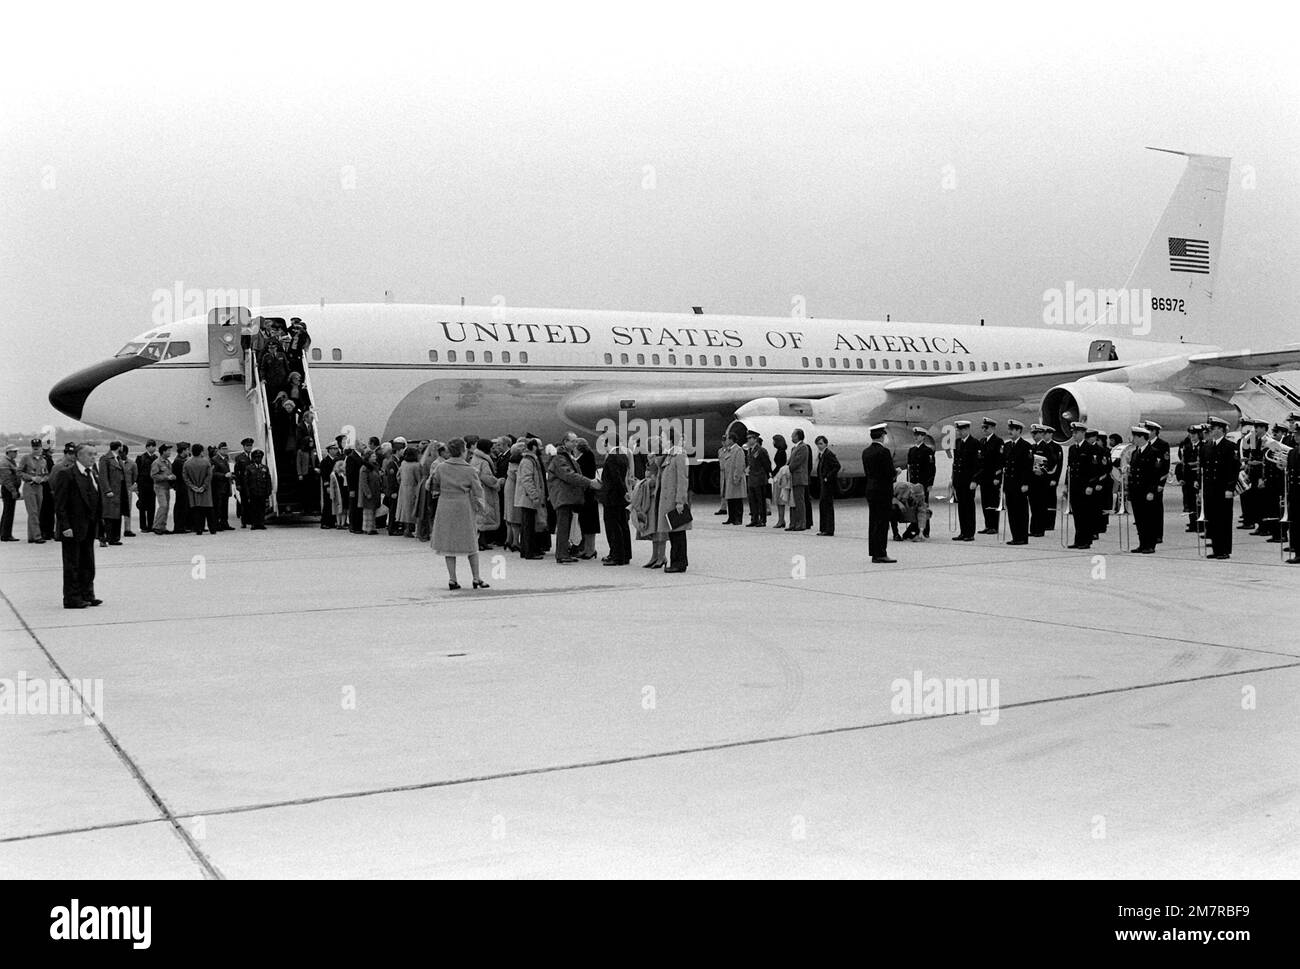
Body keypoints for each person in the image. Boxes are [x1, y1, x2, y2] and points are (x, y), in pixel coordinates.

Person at [429, 437, 489, 589]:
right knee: (471, 542)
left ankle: (452, 579)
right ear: (463, 451)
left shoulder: (441, 467)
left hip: (445, 506)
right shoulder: (469, 470)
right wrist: (481, 507)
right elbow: (478, 490)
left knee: (448, 544)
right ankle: (476, 578)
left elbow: (431, 484)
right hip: (463, 506)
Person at [53, 443, 103, 609]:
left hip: (89, 526)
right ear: (79, 456)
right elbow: (60, 504)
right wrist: (65, 526)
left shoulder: (92, 473)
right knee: (72, 564)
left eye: (94, 454)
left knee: (88, 562)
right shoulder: (66, 475)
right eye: (90, 454)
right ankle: (72, 598)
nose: (93, 457)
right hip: (72, 528)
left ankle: (87, 594)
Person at [547, 433, 599, 564]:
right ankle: (562, 554)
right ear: (565, 442)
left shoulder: (566, 456)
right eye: (573, 441)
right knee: (563, 526)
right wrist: (589, 482)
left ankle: (564, 553)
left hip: (567, 496)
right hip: (563, 496)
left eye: (576, 442)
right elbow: (569, 475)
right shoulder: (560, 458)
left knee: (566, 525)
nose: (575, 444)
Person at [1202, 416, 1240, 560]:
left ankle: (1224, 549)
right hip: (1210, 490)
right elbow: (1204, 469)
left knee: (1223, 520)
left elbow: (1233, 470)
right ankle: (1216, 548)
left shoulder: (1230, 447)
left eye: (1214, 428)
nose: (1211, 430)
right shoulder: (1207, 446)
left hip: (1223, 490)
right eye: (1211, 428)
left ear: (1221, 430)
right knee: (1212, 520)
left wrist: (1230, 488)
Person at [654, 426, 691, 573]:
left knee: (678, 533)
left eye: (663, 438)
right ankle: (676, 561)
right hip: (668, 501)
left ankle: (679, 563)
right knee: (673, 533)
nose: (661, 441)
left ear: (670, 440)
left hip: (674, 501)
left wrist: (680, 501)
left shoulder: (680, 455)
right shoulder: (670, 455)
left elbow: (683, 480)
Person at [862, 423, 896, 563]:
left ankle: (874, 552)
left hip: (871, 489)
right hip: (883, 491)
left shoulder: (866, 452)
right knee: (882, 523)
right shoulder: (884, 452)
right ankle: (881, 552)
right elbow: (889, 473)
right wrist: (896, 473)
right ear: (882, 436)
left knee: (873, 522)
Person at [1127, 425, 1160, 553]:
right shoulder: (1135, 452)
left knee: (1149, 519)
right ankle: (1142, 543)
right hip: (1137, 491)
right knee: (1139, 519)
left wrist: (1152, 491)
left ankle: (1150, 544)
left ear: (1142, 437)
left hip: (1147, 491)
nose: (1134, 439)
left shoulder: (1153, 452)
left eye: (1135, 436)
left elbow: (1155, 474)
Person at [514, 437, 547, 560]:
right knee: (529, 525)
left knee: (528, 525)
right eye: (539, 446)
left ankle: (526, 550)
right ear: (533, 447)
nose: (541, 448)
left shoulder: (530, 460)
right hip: (528, 499)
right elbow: (527, 480)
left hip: (527, 498)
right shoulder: (528, 461)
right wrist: (535, 496)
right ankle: (529, 552)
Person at [469, 439, 503, 551]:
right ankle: (481, 541)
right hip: (485, 491)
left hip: (477, 490)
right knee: (485, 515)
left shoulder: (475, 459)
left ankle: (481, 541)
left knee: (481, 515)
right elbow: (487, 477)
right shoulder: (484, 461)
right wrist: (497, 483)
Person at [1001, 419, 1032, 545]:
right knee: (1012, 511)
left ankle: (1022, 537)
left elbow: (1028, 467)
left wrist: (1026, 483)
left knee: (1021, 511)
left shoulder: (1026, 446)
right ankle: (1015, 536)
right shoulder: (1007, 446)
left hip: (1020, 484)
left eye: (1013, 430)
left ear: (1019, 431)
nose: (1010, 432)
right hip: (1010, 484)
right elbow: (1005, 465)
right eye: (1009, 429)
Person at [600, 447, 632, 565]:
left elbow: (615, 478)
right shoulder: (623, 456)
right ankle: (626, 554)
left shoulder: (612, 458)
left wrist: (623, 492)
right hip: (620, 498)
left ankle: (616, 556)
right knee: (623, 525)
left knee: (613, 527)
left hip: (612, 497)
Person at [1029, 424, 1062, 536]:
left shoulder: (1048, 447)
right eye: (1032, 433)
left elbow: (1053, 464)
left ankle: (1039, 529)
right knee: (1034, 506)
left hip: (1042, 481)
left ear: (1041, 434)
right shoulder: (1033, 447)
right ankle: (1033, 529)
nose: (1033, 435)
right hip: (1033, 481)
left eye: (1036, 433)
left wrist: (1044, 471)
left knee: (1041, 506)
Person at [950, 420, 980, 541]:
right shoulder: (957, 442)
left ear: (967, 429)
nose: (959, 432)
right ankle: (963, 531)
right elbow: (955, 463)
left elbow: (978, 464)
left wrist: (975, 480)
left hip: (969, 481)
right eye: (958, 430)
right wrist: (953, 479)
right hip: (959, 480)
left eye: (961, 430)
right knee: (961, 507)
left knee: (969, 507)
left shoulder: (974, 443)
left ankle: (970, 533)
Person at [1143, 420, 1171, 545]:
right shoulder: (1144, 444)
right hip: (1145, 483)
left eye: (1149, 430)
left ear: (1154, 431)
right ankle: (1147, 534)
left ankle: (1158, 534)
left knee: (1156, 510)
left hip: (1157, 482)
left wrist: (1161, 484)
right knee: (1146, 510)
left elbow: (1165, 466)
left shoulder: (1162, 444)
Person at [906, 427, 936, 538]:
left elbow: (932, 469)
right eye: (915, 435)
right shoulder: (912, 451)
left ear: (923, 437)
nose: (916, 437)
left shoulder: (928, 451)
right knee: (913, 506)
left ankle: (925, 530)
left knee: (923, 507)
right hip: (914, 484)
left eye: (918, 435)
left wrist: (930, 483)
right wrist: (909, 484)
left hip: (923, 483)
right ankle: (914, 528)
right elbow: (910, 468)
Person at [976, 418, 1003, 534]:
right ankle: (987, 524)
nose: (983, 430)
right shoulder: (982, 441)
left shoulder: (998, 441)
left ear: (992, 428)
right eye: (982, 427)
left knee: (993, 501)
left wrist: (998, 477)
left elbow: (1000, 461)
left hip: (993, 477)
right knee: (985, 502)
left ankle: (994, 526)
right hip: (984, 477)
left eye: (985, 428)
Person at [18, 439, 48, 544]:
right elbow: (19, 472)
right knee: (33, 512)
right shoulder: (26, 458)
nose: (36, 450)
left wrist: (43, 479)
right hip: (29, 486)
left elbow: (46, 474)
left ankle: (31, 536)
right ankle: (37, 536)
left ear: (41, 448)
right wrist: (31, 478)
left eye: (38, 447)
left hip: (39, 487)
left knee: (37, 511)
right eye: (34, 448)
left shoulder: (43, 460)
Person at [96, 441, 126, 547]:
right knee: (109, 516)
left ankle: (115, 537)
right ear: (119, 447)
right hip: (111, 492)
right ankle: (109, 537)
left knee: (117, 515)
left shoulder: (118, 458)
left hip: (119, 491)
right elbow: (103, 476)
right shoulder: (105, 459)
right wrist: (107, 490)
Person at [182, 443, 214, 534]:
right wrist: (204, 486)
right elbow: (209, 476)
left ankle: (198, 529)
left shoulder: (187, 463)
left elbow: (185, 477)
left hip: (193, 491)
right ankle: (212, 528)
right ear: (201, 452)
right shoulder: (206, 462)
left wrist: (193, 487)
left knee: (196, 510)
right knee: (209, 510)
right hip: (205, 490)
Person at [814, 435, 841, 536]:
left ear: (826, 444)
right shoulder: (822, 454)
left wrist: (828, 477)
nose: (819, 446)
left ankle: (828, 529)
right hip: (823, 483)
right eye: (818, 444)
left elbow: (837, 466)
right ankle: (824, 528)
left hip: (828, 484)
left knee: (827, 506)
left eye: (821, 444)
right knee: (823, 505)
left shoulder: (829, 454)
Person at [744, 430, 772, 527]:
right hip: (752, 479)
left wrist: (765, 475)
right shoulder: (750, 450)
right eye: (747, 438)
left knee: (760, 500)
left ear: (755, 439)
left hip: (759, 478)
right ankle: (754, 518)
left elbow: (767, 464)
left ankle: (762, 519)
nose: (748, 440)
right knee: (752, 500)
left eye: (750, 438)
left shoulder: (761, 450)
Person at [786, 429, 811, 531]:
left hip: (799, 478)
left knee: (799, 501)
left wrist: (788, 469)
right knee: (792, 502)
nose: (791, 437)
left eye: (793, 435)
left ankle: (801, 523)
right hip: (792, 478)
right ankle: (793, 523)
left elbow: (797, 461)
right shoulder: (793, 448)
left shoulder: (803, 447)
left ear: (798, 436)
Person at [719, 432, 747, 525]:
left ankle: (738, 518)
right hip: (728, 478)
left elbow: (739, 465)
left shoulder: (738, 450)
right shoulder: (728, 450)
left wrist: (736, 477)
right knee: (730, 498)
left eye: (727, 439)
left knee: (737, 499)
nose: (726, 441)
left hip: (734, 478)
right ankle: (731, 517)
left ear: (731, 440)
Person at [243, 450, 273, 529]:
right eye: (256, 457)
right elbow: (246, 482)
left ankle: (261, 523)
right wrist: (247, 493)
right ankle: (254, 524)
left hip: (262, 491)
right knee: (253, 508)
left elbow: (268, 480)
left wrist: (268, 491)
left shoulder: (265, 468)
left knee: (262, 508)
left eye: (260, 457)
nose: (258, 459)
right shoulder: (249, 468)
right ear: (253, 458)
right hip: (253, 492)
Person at [503, 442, 524, 551]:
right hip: (515, 488)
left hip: (509, 486)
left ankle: (508, 539)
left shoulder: (511, 459)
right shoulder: (518, 460)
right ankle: (516, 541)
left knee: (509, 515)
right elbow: (519, 477)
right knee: (515, 516)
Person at [396, 446, 422, 537]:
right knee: (412, 509)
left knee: (404, 510)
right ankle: (410, 530)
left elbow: (398, 476)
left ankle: (406, 529)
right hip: (412, 489)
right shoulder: (416, 465)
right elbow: (419, 479)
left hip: (403, 488)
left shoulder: (403, 463)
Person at [151, 444, 176, 534]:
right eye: (168, 450)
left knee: (166, 507)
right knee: (163, 505)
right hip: (159, 487)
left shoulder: (167, 462)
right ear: (163, 452)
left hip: (166, 487)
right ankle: (157, 526)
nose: (169, 452)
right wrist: (167, 477)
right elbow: (154, 475)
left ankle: (162, 526)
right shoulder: (157, 462)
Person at [135, 441, 157, 533]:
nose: (154, 448)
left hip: (152, 484)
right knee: (142, 506)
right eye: (152, 446)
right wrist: (136, 484)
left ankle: (151, 525)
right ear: (147, 447)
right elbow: (137, 472)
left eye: (154, 446)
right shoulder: (140, 458)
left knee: (152, 505)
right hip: (143, 484)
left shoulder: (156, 458)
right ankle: (143, 526)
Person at [358, 453, 383, 534]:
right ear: (368, 458)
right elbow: (363, 482)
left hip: (375, 491)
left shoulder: (375, 467)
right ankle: (367, 528)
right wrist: (367, 492)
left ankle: (373, 527)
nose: (375, 457)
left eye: (375, 456)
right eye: (373, 456)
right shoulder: (364, 468)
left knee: (373, 510)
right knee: (368, 510)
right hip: (369, 492)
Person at [1, 444, 20, 541]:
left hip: (11, 489)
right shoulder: (5, 463)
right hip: (8, 489)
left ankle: (4, 532)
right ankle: (6, 534)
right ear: (8, 452)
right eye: (14, 451)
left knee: (7, 512)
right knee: (9, 512)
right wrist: (13, 491)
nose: (16, 453)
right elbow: (6, 479)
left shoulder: (10, 461)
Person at [171, 442, 191, 532]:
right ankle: (180, 526)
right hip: (181, 487)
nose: (188, 451)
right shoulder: (179, 462)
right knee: (181, 507)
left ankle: (185, 525)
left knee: (184, 506)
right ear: (183, 450)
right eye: (187, 450)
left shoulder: (182, 460)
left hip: (183, 486)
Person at [120, 444, 137, 537]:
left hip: (127, 489)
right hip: (118, 490)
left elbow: (135, 477)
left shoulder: (132, 464)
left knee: (127, 510)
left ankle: (127, 529)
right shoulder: (116, 462)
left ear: (126, 453)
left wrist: (131, 487)